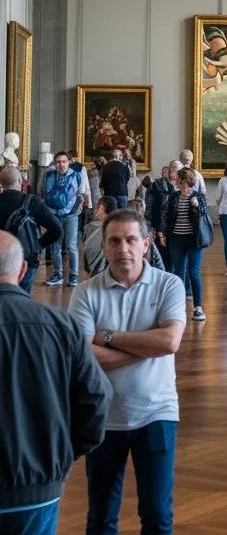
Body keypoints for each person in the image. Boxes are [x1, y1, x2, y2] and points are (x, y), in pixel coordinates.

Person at [68, 209, 187, 535]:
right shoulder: (86, 292)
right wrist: (148, 349)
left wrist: (107, 337)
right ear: (104, 247)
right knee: (102, 516)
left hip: (158, 412)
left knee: (157, 514)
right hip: (103, 417)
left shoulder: (169, 285)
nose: (124, 248)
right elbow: (82, 357)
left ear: (146, 243)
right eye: (115, 241)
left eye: (131, 240)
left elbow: (169, 340)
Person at [0, 231, 111, 534]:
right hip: (38, 485)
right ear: (23, 270)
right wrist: (63, 452)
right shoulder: (62, 326)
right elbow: (97, 398)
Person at [0, 163, 61, 292]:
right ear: (20, 181)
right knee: (22, 300)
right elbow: (57, 229)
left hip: (1, 259)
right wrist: (37, 245)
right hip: (26, 259)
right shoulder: (32, 202)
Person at [158, 167, 209, 322]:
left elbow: (203, 214)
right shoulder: (173, 197)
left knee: (194, 272)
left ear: (184, 180)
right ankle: (178, 307)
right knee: (178, 272)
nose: (176, 181)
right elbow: (165, 215)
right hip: (176, 239)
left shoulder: (199, 196)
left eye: (178, 178)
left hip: (194, 240)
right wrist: (162, 233)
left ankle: (198, 307)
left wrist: (196, 206)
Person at [43, 151, 85, 288]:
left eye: (64, 161)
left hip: (70, 216)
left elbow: (80, 194)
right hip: (54, 215)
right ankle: (58, 274)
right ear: (55, 164)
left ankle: (73, 276)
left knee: (71, 246)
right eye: (58, 162)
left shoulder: (76, 175)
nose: (61, 164)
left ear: (69, 162)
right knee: (55, 246)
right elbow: (44, 193)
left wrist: (74, 211)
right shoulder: (49, 176)